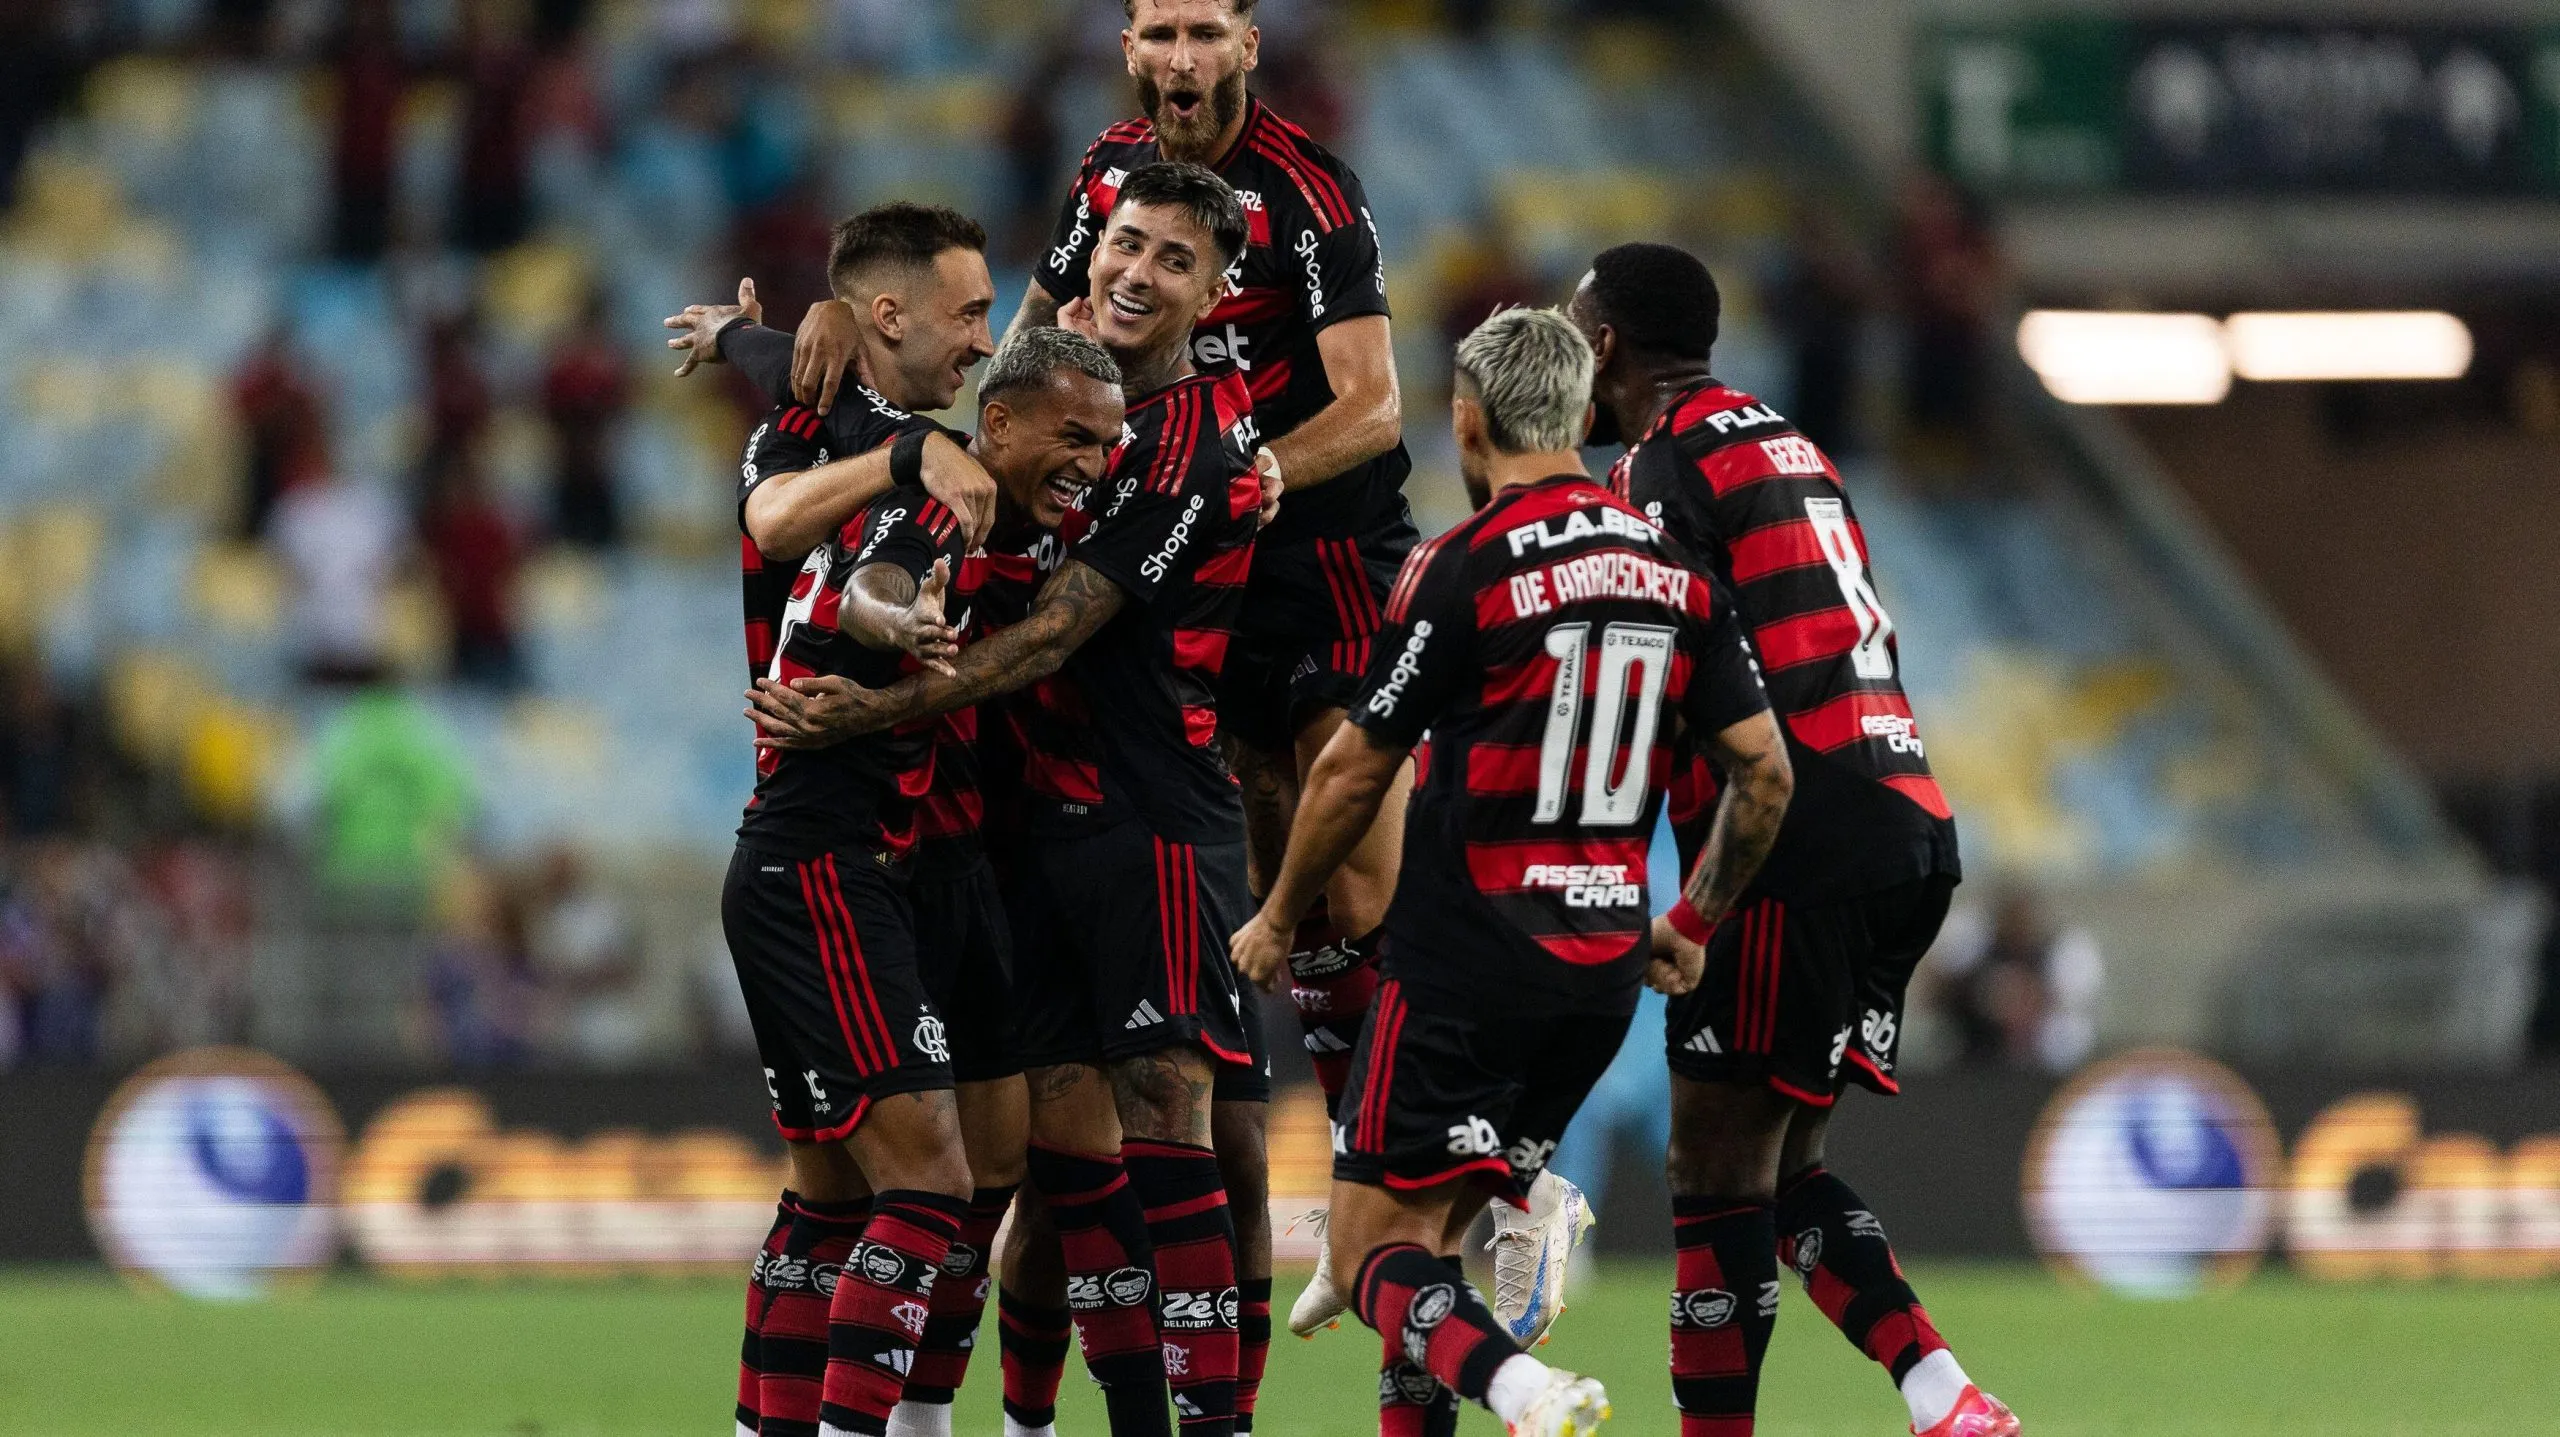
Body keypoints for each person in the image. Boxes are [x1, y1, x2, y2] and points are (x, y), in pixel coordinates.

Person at [746, 162, 1262, 1437]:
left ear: (1215, 292)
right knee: (988, 1173)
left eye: (1175, 259)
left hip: (1115, 817)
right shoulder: (981, 437)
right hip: (926, 845)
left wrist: (872, 696)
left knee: (1116, 1144)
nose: (1137, 272)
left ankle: (1189, 1426)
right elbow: (866, 551)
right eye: (1124, 244)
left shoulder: (1184, 435)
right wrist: (774, 333)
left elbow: (1043, 641)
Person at [1227, 306, 1793, 1437]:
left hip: (1465, 962)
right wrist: (1690, 920)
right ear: (1583, 415)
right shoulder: (1676, 574)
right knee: (1427, 1248)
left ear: (1466, 420)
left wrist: (1279, 914)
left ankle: (1522, 1391)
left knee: (1365, 1251)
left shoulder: (1461, 564)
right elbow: (1765, 776)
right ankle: (1529, 1204)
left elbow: (1349, 773)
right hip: (1599, 973)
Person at [1569, 243, 2014, 1437]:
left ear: (1605, 345)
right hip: (1905, 819)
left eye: (1578, 329)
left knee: (1709, 1174)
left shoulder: (1660, 469)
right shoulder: (1789, 443)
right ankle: (1943, 1396)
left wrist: (1668, 893)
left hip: (1793, 836)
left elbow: (1667, 668)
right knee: (1780, 1171)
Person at [665, 201, 1006, 1437]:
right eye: (969, 311)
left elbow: (786, 355)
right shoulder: (832, 448)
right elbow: (819, 554)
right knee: (930, 1187)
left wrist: (732, 333)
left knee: (823, 1194)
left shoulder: (807, 385)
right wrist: (913, 473)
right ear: (890, 315)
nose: (985, 334)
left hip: (862, 848)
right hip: (825, 846)